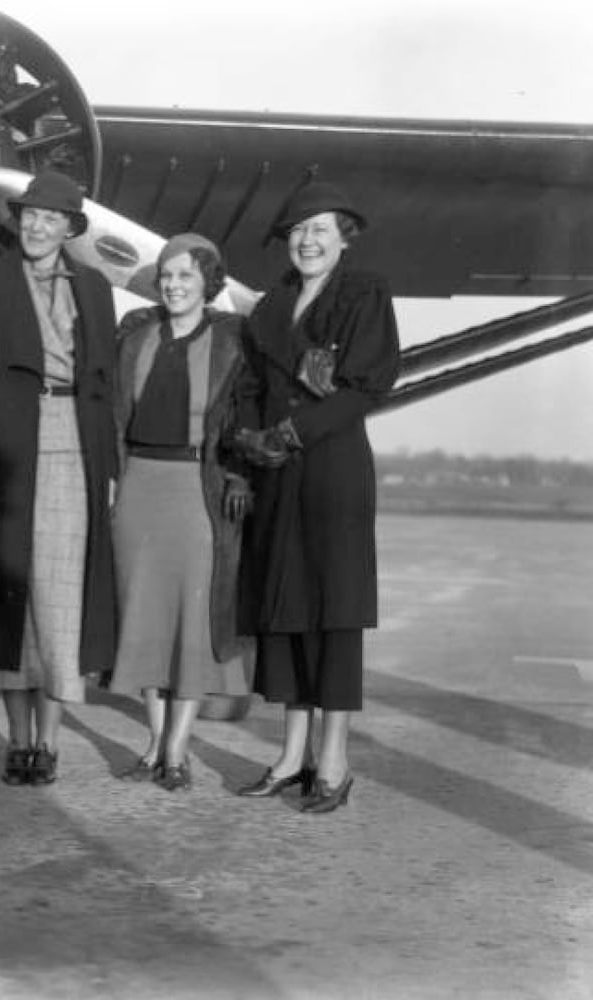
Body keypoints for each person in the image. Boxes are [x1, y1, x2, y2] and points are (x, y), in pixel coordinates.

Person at [232, 181, 400, 813]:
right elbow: (249, 382)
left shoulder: (365, 294)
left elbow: (367, 386)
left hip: (331, 469)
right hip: (277, 471)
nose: (307, 240)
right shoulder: (271, 303)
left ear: (343, 236)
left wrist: (293, 430)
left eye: (319, 229)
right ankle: (290, 755)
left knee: (333, 614)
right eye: (297, 230)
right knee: (286, 612)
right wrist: (249, 436)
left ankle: (334, 761)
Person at [0, 171, 118, 786]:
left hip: (75, 441)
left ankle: (48, 742)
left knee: (59, 596)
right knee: (10, 597)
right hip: (9, 442)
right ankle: (17, 739)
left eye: (51, 217)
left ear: (70, 227)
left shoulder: (96, 289)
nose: (36, 225)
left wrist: (107, 467)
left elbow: (105, 386)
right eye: (29, 214)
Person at [106, 233, 253, 792]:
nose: (173, 285)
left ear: (209, 283)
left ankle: (177, 749)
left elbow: (243, 415)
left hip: (197, 487)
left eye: (186, 276)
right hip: (139, 484)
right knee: (143, 616)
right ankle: (153, 742)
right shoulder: (135, 338)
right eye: (166, 276)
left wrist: (239, 475)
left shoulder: (233, 343)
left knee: (192, 620)